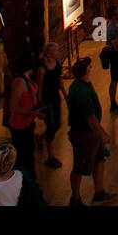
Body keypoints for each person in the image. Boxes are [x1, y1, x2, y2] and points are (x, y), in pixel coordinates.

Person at [66, 56, 115, 205]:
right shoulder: (82, 92)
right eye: (89, 66)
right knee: (80, 167)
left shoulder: (81, 85)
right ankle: (75, 198)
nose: (91, 68)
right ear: (85, 70)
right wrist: (103, 134)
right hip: (83, 134)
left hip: (91, 133)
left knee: (100, 160)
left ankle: (99, 193)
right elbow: (91, 119)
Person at [5, 52, 45, 178]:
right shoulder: (19, 82)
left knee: (28, 153)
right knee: (23, 155)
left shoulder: (27, 79)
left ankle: (27, 181)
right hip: (19, 125)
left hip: (28, 122)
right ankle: (24, 182)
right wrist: (33, 113)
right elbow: (13, 107)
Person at [35, 41, 67, 169]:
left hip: (55, 98)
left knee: (57, 124)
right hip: (47, 100)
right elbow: (39, 87)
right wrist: (40, 102)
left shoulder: (57, 64)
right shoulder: (42, 70)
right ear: (49, 53)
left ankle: (40, 138)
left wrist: (64, 93)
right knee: (51, 125)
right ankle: (50, 156)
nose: (58, 52)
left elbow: (59, 79)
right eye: (56, 51)